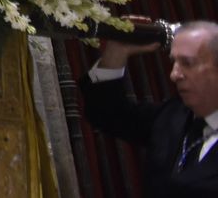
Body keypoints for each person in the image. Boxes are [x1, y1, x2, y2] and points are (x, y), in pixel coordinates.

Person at [82, 18, 218, 194]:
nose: (174, 75)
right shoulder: (173, 115)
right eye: (174, 62)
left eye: (187, 63)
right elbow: (106, 113)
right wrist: (118, 50)